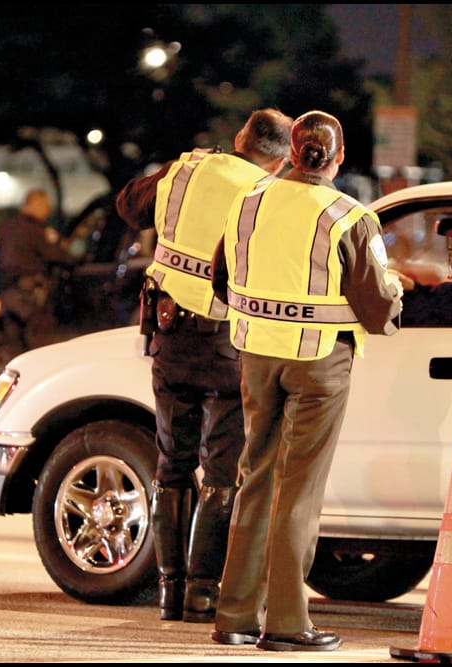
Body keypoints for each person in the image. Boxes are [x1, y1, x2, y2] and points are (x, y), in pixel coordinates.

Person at [209, 110, 403, 652]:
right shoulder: (348, 216)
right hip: (319, 364)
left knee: (256, 477)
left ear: (293, 153)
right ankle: (289, 623)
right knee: (299, 489)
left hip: (255, 357)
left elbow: (222, 279)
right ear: (337, 159)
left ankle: (236, 616)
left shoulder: (249, 201)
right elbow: (377, 309)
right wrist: (398, 291)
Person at [115, 108, 294, 623]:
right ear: (282, 159)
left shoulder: (187, 169)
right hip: (228, 344)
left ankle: (170, 592)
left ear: (240, 137)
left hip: (169, 335)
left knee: (172, 462)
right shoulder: (268, 196)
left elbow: (130, 204)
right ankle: (202, 592)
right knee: (221, 469)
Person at [0, 188, 77, 372]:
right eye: (45, 206)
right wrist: (74, 258)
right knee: (39, 348)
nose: (47, 211)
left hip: (8, 295)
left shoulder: (6, 227)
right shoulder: (37, 230)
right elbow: (59, 257)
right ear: (35, 204)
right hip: (32, 297)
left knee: (11, 347)